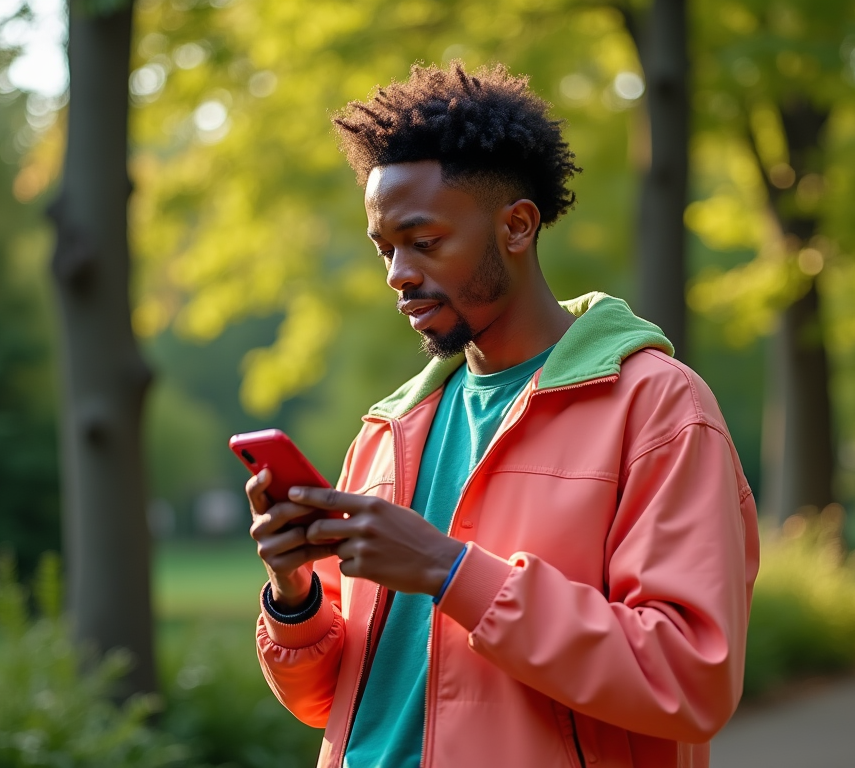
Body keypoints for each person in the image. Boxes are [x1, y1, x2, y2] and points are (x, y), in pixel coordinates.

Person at [247, 61, 759, 768]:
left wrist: (451, 572)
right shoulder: (390, 430)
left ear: (517, 227)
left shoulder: (658, 409)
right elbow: (329, 699)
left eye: (424, 242)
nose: (397, 272)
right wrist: (294, 592)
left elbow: (688, 679)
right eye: (384, 248)